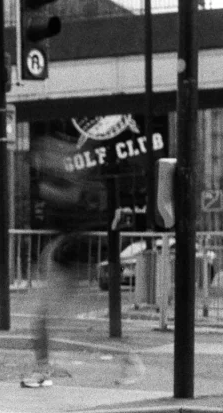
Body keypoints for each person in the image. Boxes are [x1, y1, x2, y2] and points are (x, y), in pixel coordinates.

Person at [21, 135, 144, 388]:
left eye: (50, 152)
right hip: (66, 253)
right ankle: (125, 357)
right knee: (55, 321)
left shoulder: (70, 182)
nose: (44, 158)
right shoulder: (72, 179)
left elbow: (72, 201)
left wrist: (45, 188)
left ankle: (43, 369)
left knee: (44, 320)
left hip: (67, 257)